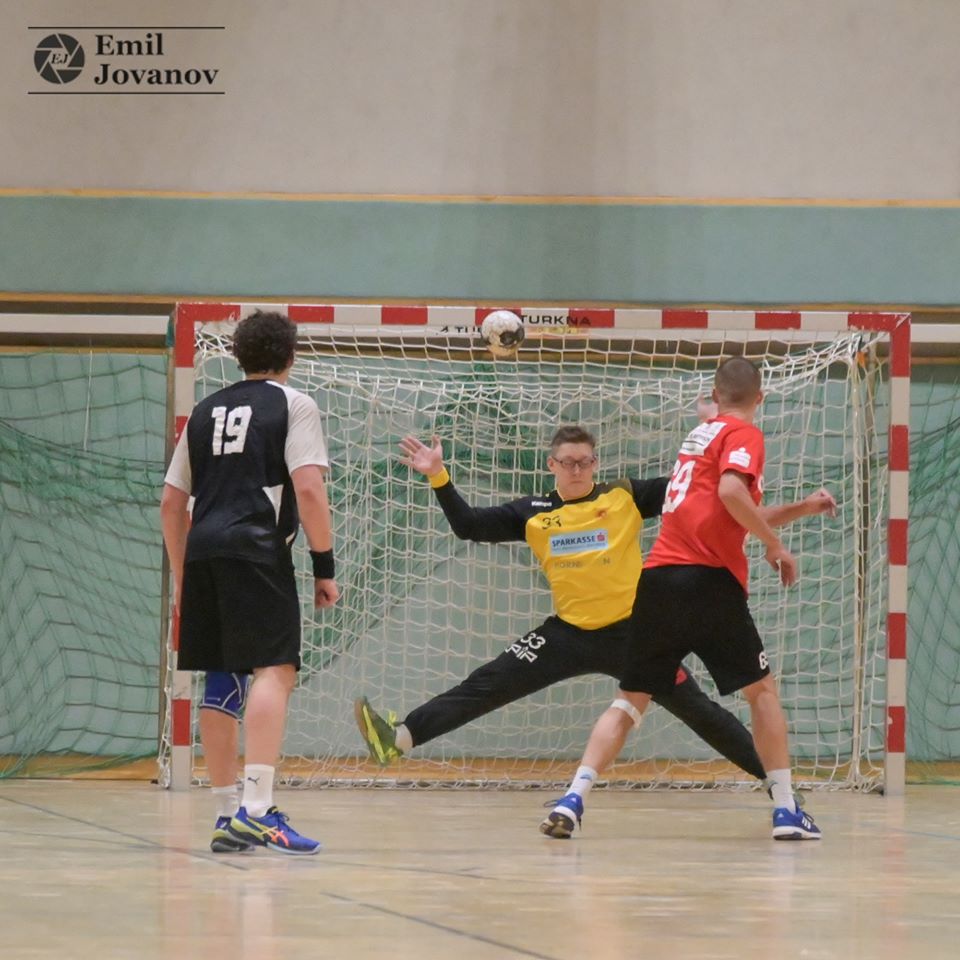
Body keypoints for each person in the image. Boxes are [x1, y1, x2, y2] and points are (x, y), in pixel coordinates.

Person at [355, 426, 833, 808]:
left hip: (636, 635)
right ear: (552, 465)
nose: (577, 469)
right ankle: (399, 738)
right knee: (487, 683)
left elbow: (717, 507)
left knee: (702, 712)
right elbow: (468, 525)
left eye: (585, 461)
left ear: (595, 463)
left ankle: (780, 790)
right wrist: (438, 475)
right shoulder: (532, 512)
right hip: (568, 633)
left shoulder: (625, 495)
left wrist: (802, 507)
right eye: (568, 462)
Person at [541, 357, 829, 842]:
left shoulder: (697, 439)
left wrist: (802, 508)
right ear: (760, 398)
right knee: (761, 693)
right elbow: (733, 491)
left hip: (657, 582)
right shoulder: (744, 435)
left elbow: (731, 510)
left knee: (629, 701)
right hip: (709, 582)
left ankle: (572, 798)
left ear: (715, 396)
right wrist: (774, 546)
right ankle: (785, 810)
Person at [160, 309, 339, 855]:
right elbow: (308, 489)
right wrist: (325, 566)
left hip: (203, 553)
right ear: (290, 356)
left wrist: (183, 579)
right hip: (257, 549)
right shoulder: (293, 404)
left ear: (238, 356)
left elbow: (170, 504)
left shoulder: (204, 411)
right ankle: (258, 809)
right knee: (275, 669)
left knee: (222, 680)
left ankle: (226, 813)